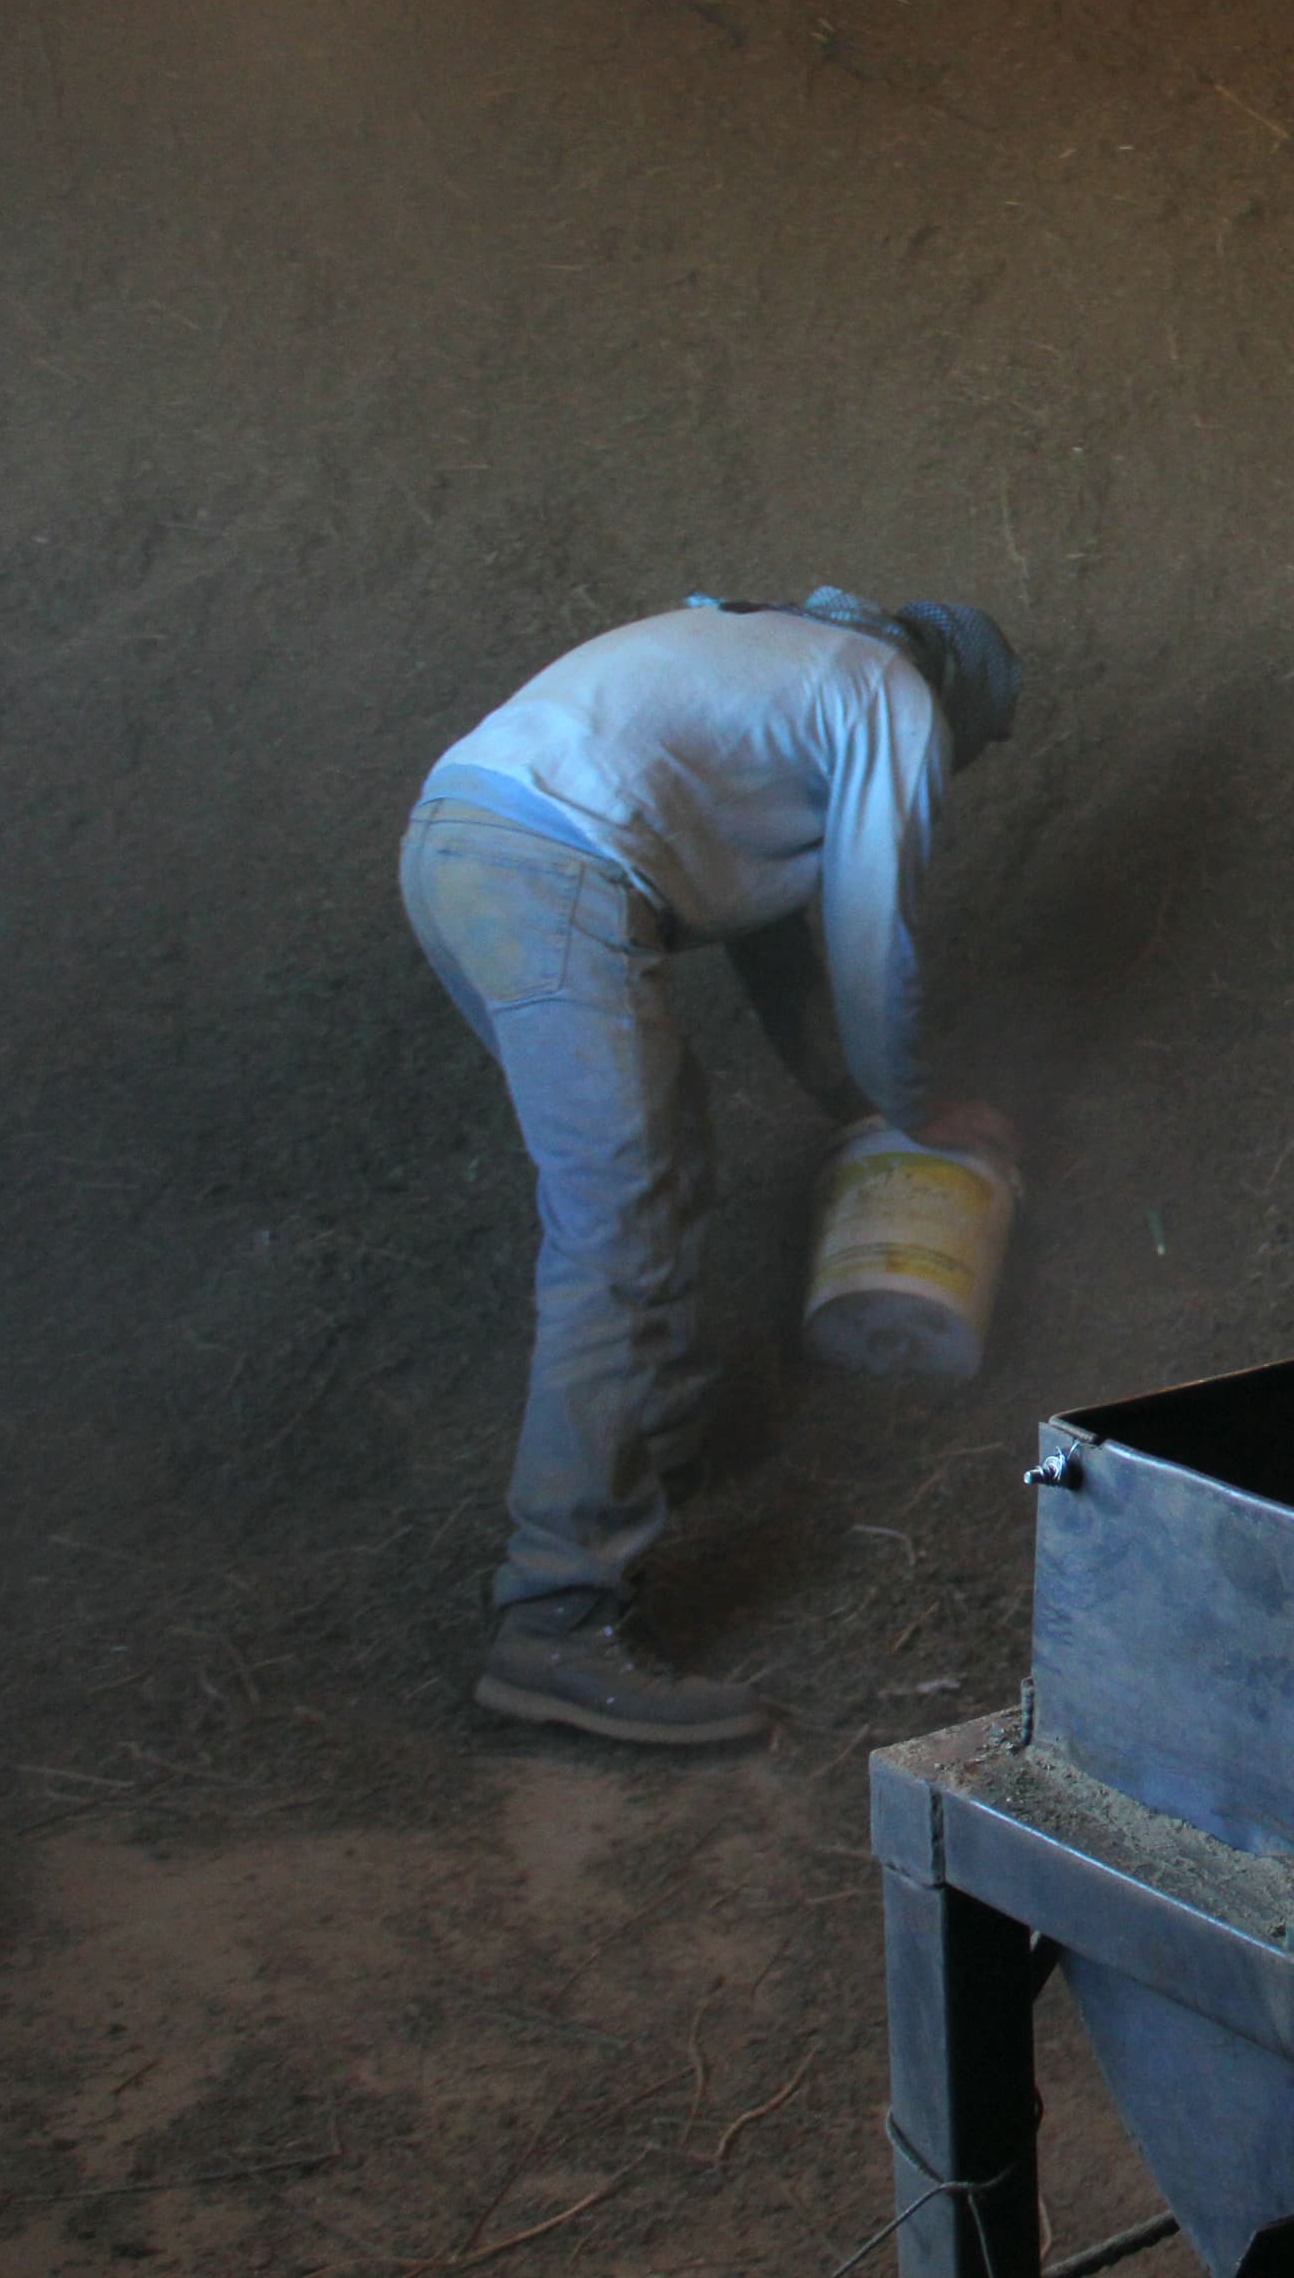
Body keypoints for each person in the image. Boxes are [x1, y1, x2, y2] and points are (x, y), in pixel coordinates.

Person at [403, 587, 1020, 1744]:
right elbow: (866, 931)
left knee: (657, 1168)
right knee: (620, 1219)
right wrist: (914, 1111)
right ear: (957, 703)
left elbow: (774, 944)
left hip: (459, 844)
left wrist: (852, 1103)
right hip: (552, 868)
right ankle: (558, 1619)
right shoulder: (891, 697)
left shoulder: (777, 671)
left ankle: (657, 1460)